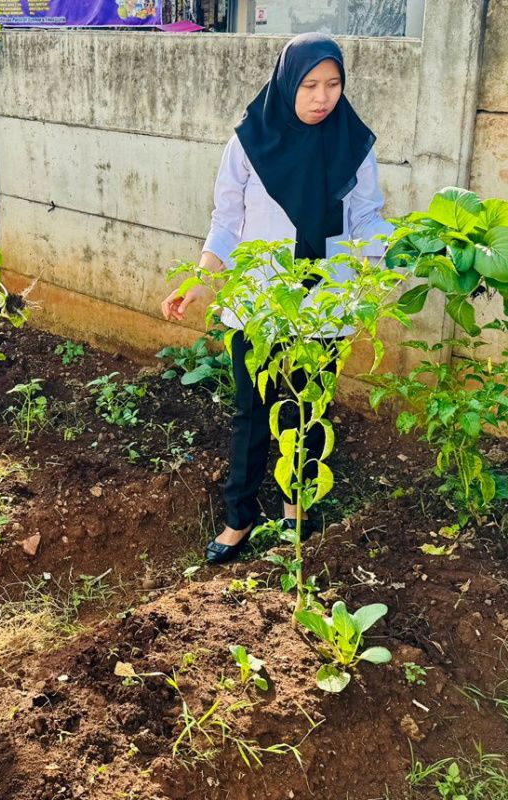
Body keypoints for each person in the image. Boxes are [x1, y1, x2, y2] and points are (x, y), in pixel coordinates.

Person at [160, 33, 394, 565]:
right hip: (260, 303)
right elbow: (226, 220)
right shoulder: (249, 141)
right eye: (310, 84)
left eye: (333, 84)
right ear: (288, 82)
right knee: (252, 410)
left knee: (308, 409)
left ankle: (297, 509)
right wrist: (200, 279)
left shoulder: (353, 143)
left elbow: (367, 218)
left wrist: (400, 253)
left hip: (322, 306)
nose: (322, 97)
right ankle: (239, 516)